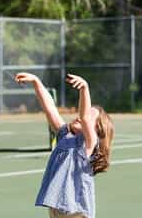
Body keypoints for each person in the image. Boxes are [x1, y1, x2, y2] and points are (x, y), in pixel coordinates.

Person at [14, 72, 115, 218]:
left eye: (88, 114)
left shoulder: (89, 144)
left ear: (96, 129)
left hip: (77, 211)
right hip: (58, 209)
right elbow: (50, 107)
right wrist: (36, 82)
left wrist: (84, 88)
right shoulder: (64, 136)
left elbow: (84, 117)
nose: (80, 116)